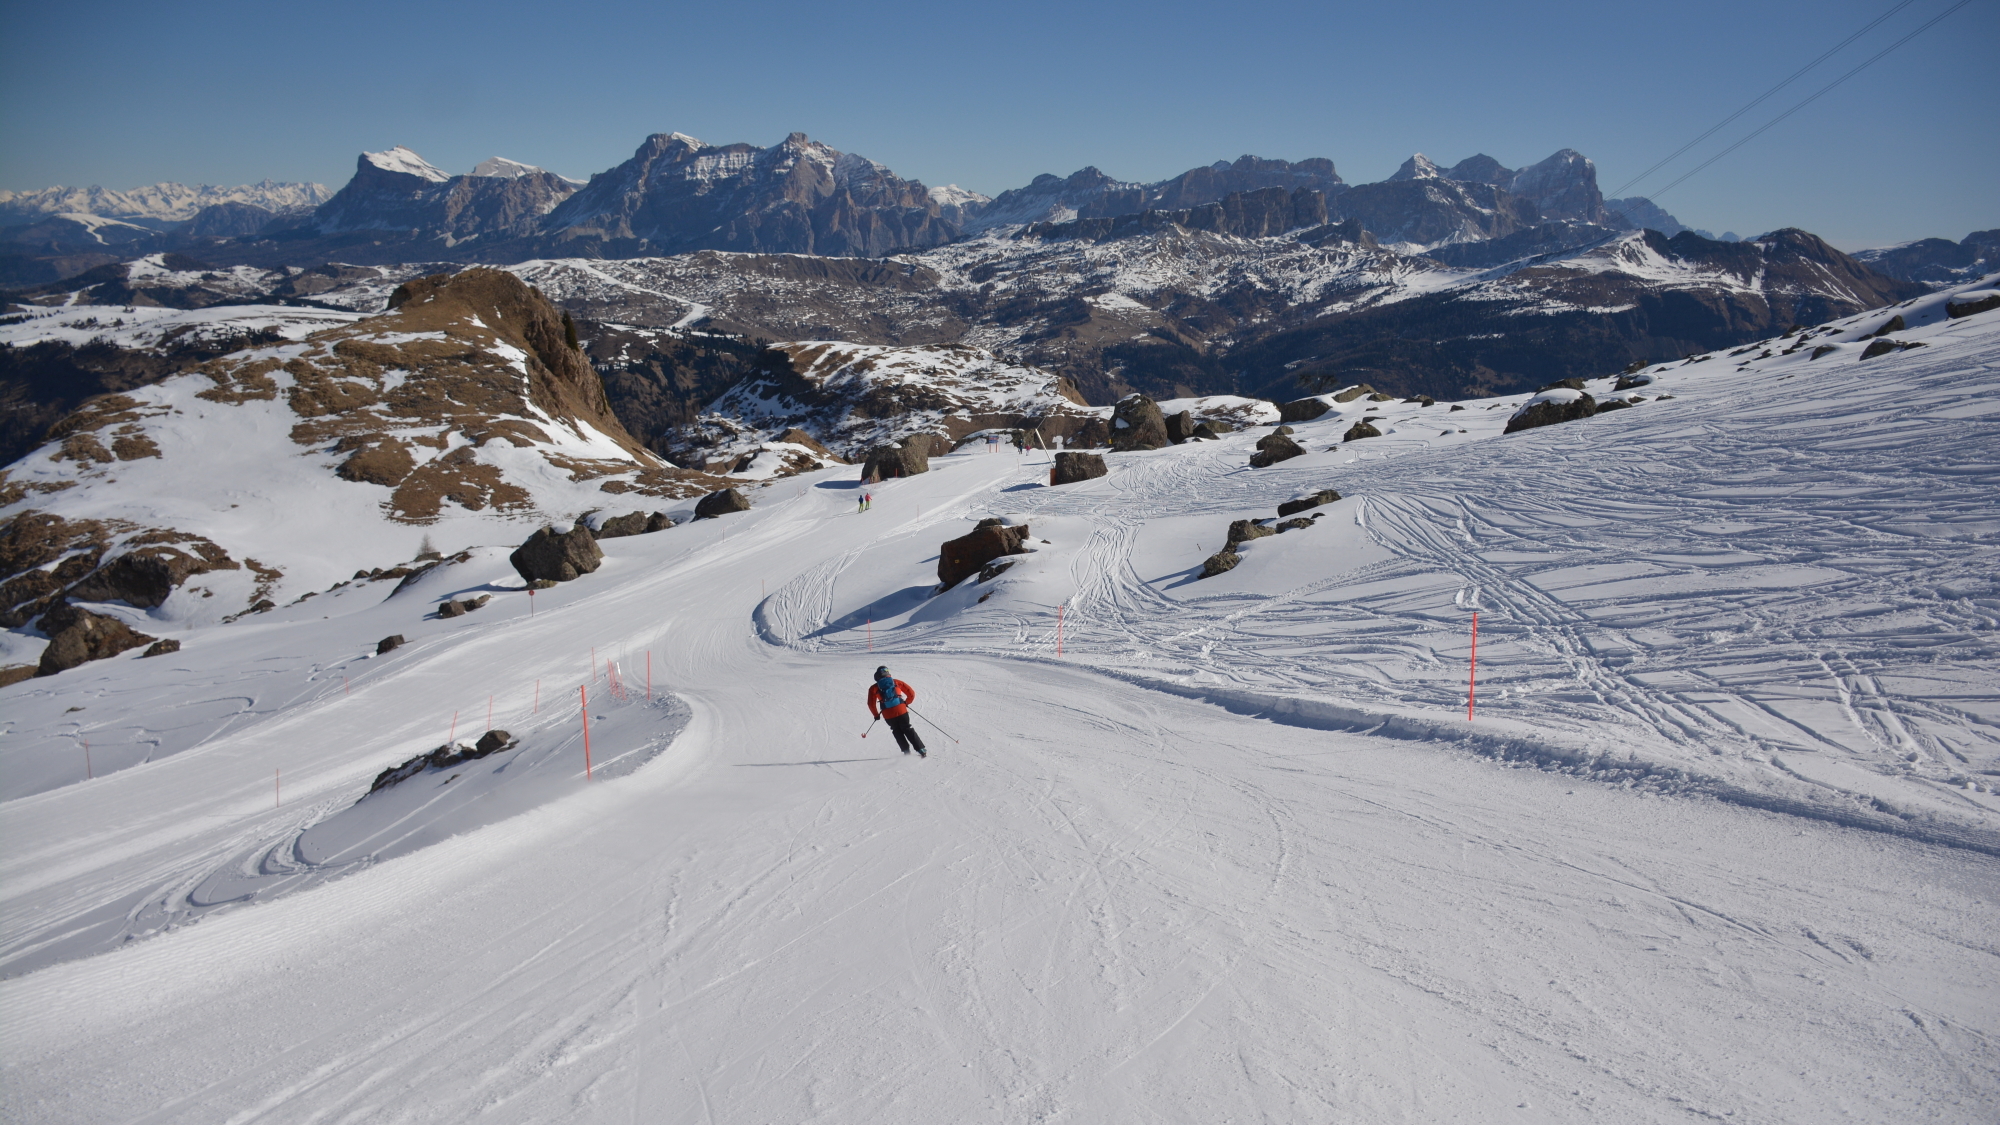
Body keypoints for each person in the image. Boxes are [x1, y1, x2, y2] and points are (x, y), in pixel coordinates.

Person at [867, 665, 926, 757]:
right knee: (907, 728)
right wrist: (907, 702)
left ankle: (906, 751)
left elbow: (871, 704)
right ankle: (921, 749)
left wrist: (876, 715)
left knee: (896, 730)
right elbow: (911, 693)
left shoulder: (873, 688)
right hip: (901, 710)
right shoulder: (896, 682)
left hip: (888, 714)